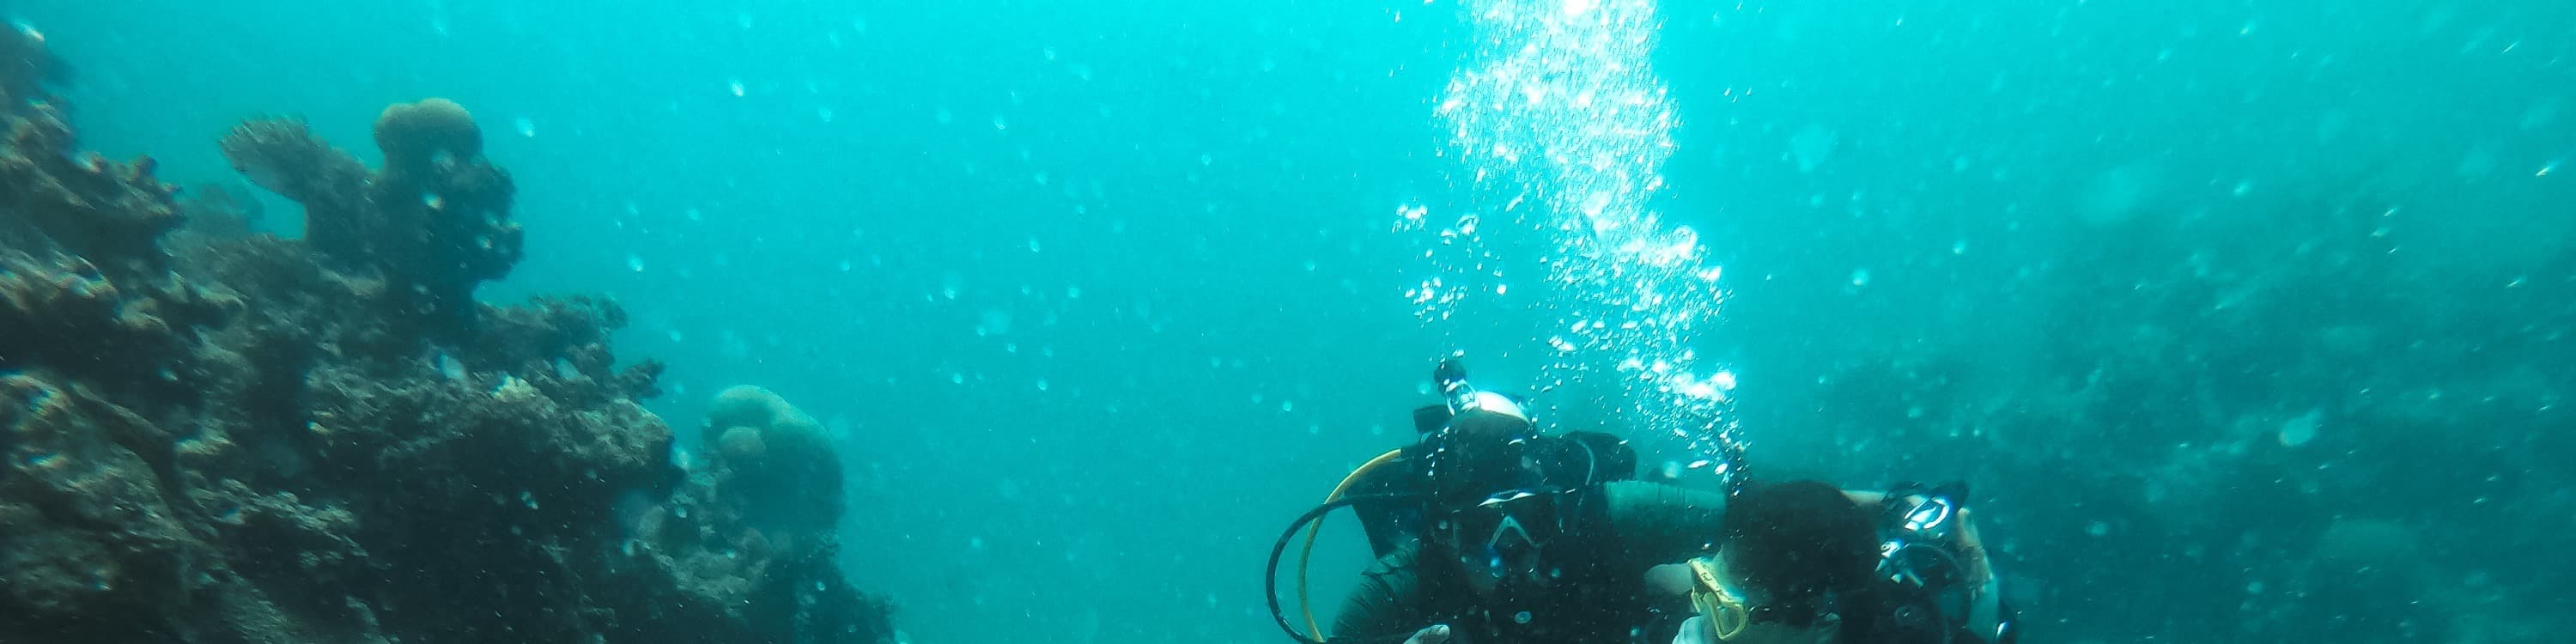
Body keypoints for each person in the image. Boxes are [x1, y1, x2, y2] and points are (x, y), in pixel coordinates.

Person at [1284, 360, 2017, 644]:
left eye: (1526, 521)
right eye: (1481, 535)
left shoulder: (1603, 512)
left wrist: (1908, 506)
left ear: (1553, 504)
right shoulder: (1403, 584)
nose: (1510, 554)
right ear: (1440, 532)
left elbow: (1764, 513)